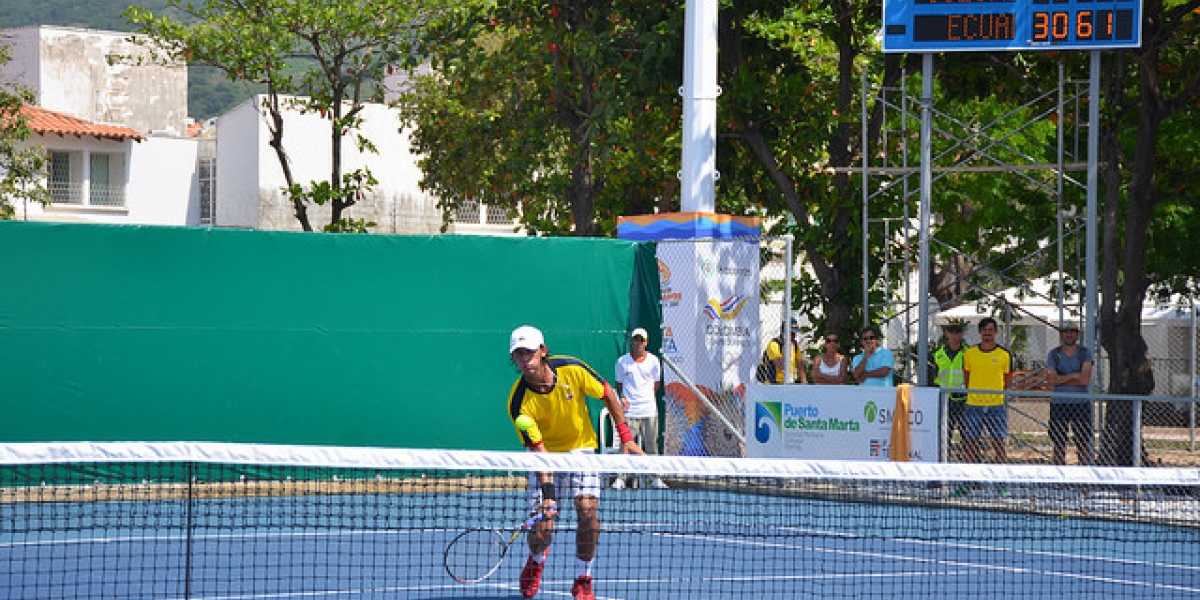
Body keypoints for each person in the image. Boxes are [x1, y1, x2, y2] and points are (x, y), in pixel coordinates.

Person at [507, 325, 644, 600]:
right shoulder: (519, 402)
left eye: (529, 352)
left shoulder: (572, 369)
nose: (525, 359)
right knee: (541, 530)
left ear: (543, 351)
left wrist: (626, 437)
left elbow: (607, 392)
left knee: (588, 513)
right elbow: (539, 451)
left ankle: (583, 578)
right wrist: (548, 495)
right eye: (518, 354)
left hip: (581, 449)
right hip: (546, 456)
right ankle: (535, 560)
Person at [612, 327, 667, 489]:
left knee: (652, 446)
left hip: (649, 411)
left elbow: (656, 384)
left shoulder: (654, 361)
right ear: (631, 342)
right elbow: (619, 385)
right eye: (636, 339)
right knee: (625, 445)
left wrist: (645, 399)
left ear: (646, 343)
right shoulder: (622, 362)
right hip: (629, 413)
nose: (638, 343)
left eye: (641, 340)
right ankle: (621, 478)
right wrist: (625, 399)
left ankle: (654, 477)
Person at [961, 317, 1013, 467]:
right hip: (973, 405)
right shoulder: (970, 353)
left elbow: (1007, 379)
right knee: (970, 443)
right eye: (984, 330)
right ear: (979, 332)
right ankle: (967, 482)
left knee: (998, 444)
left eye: (990, 330)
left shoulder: (1004, 354)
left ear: (996, 332)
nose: (987, 333)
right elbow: (967, 377)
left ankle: (1001, 483)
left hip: (995, 405)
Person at [1043, 320, 1095, 465]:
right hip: (1059, 403)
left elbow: (1085, 380)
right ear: (1061, 334)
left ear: (1077, 334)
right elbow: (1051, 379)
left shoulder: (1085, 353)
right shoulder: (1054, 354)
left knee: (1083, 441)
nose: (1069, 335)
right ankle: (1060, 475)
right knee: (1058, 441)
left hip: (1081, 403)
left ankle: (1084, 475)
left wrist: (1062, 378)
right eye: (1065, 332)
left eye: (1072, 331)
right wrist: (1073, 375)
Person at [932, 321, 968, 458]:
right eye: (951, 332)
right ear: (946, 334)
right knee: (945, 432)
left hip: (964, 398)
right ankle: (943, 459)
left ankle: (969, 462)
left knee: (967, 433)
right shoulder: (938, 354)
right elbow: (935, 376)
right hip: (946, 399)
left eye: (957, 332)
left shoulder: (968, 353)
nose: (954, 335)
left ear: (962, 334)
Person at [758, 318, 808, 384]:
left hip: (788, 382)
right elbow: (780, 365)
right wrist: (787, 350)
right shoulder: (774, 344)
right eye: (792, 333)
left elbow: (800, 365)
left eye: (795, 333)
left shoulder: (795, 345)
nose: (794, 336)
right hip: (772, 382)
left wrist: (804, 383)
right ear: (784, 333)